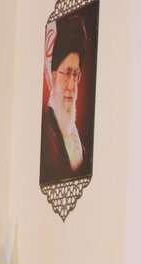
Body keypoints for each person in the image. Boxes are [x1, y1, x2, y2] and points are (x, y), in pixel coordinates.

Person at [41, 15, 92, 181]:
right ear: (55, 78)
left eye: (75, 75)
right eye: (67, 73)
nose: (72, 86)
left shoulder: (79, 145)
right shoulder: (47, 135)